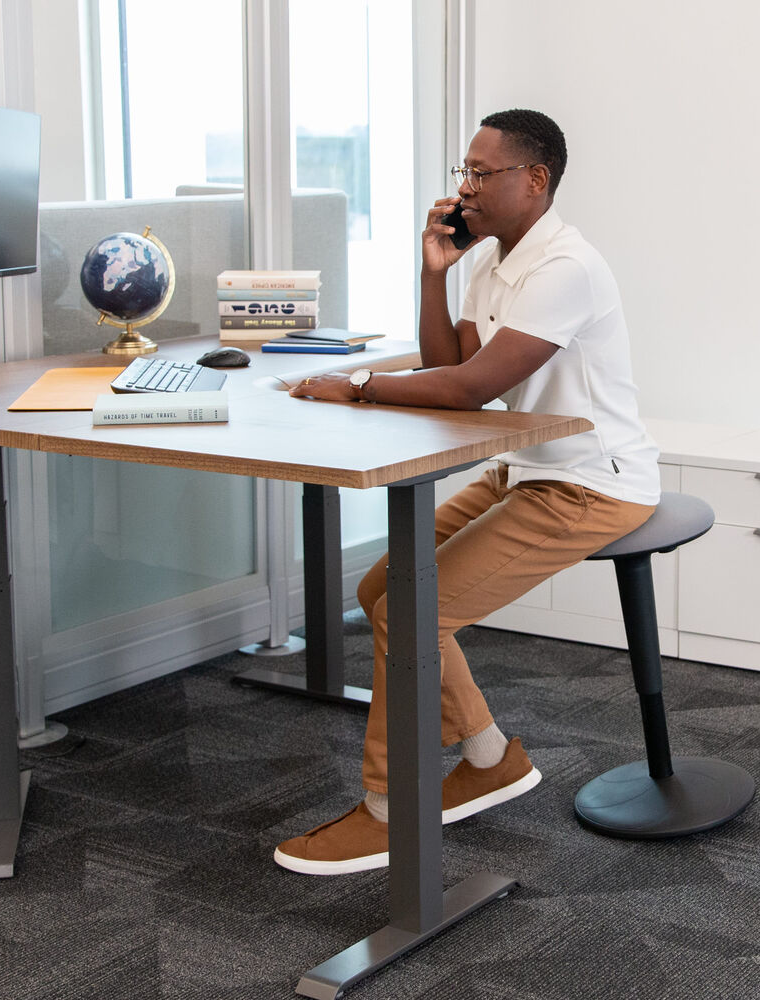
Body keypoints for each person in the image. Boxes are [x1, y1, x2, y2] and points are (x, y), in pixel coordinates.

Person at [275, 109, 661, 875]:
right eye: (464, 171)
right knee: (383, 588)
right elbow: (445, 362)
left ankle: (389, 811)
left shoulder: (564, 269)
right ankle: (488, 755)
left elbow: (467, 389)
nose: (465, 187)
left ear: (536, 179)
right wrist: (433, 271)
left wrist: (354, 387)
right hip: (524, 468)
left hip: (589, 483)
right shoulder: (493, 260)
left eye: (483, 174)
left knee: (413, 612)